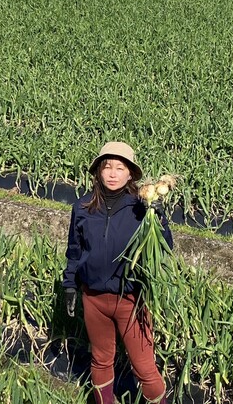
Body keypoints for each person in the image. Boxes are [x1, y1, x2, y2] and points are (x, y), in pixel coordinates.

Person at [62, 141, 173, 404]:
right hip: (94, 298)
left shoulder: (141, 207)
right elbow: (74, 250)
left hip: (130, 301)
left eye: (120, 168)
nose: (112, 173)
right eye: (107, 167)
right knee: (100, 360)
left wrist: (160, 219)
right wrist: (69, 285)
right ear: (98, 171)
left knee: (144, 367)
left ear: (131, 174)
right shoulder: (83, 207)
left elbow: (165, 247)